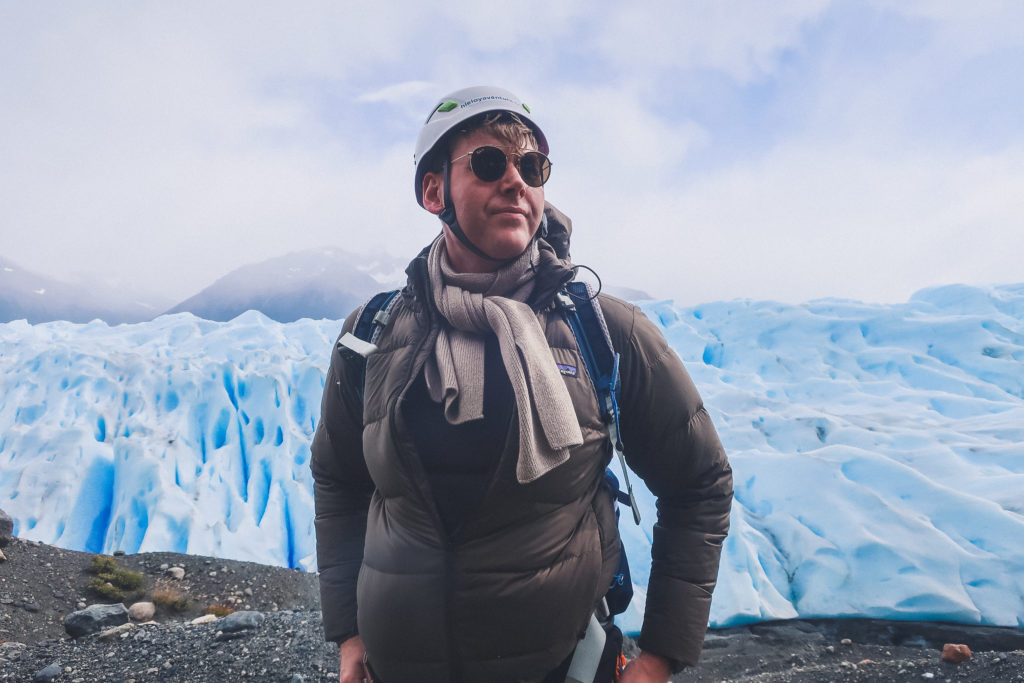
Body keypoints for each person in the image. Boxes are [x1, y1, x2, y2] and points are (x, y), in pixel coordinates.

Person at [311, 86, 733, 683]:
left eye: (532, 168)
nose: (516, 181)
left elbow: (700, 482)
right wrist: (349, 634)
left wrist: (661, 656)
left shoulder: (604, 330)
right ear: (434, 191)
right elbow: (339, 480)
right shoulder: (375, 334)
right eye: (489, 163)